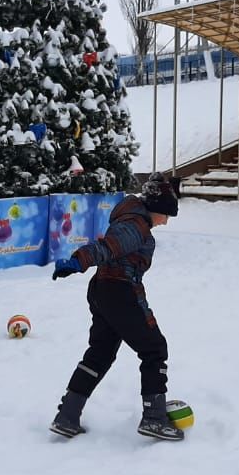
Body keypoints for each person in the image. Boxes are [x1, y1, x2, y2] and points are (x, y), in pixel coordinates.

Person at [48, 174, 183, 441]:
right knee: (154, 349)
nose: (166, 221)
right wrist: (79, 261)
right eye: (167, 214)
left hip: (103, 290)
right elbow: (108, 247)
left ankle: (68, 415)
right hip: (119, 292)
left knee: (100, 353)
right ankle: (154, 418)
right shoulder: (135, 225)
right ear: (158, 208)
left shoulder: (131, 219)